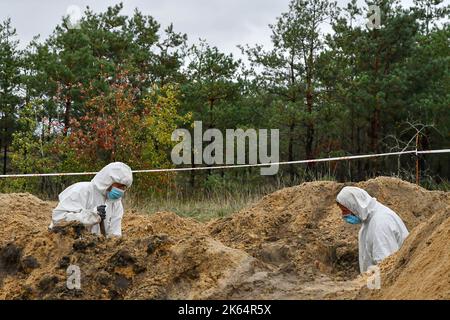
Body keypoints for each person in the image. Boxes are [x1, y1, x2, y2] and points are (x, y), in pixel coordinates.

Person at [336, 186, 409, 273]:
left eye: (345, 210)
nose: (343, 215)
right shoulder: (369, 220)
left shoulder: (380, 223)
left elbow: (385, 266)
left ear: (354, 205)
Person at [49, 162, 133, 237]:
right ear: (108, 180)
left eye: (123, 187)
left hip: (93, 248)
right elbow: (59, 219)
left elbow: (115, 233)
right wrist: (91, 216)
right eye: (119, 186)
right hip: (64, 242)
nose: (121, 191)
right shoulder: (81, 190)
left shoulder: (116, 203)